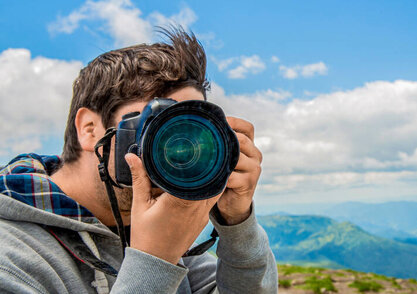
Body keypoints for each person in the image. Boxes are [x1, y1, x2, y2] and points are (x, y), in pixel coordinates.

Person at [0, 28, 277, 293]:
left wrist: (237, 222)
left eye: (188, 131)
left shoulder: (159, 235)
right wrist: (154, 260)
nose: (172, 151)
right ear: (89, 128)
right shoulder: (11, 259)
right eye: (154, 127)